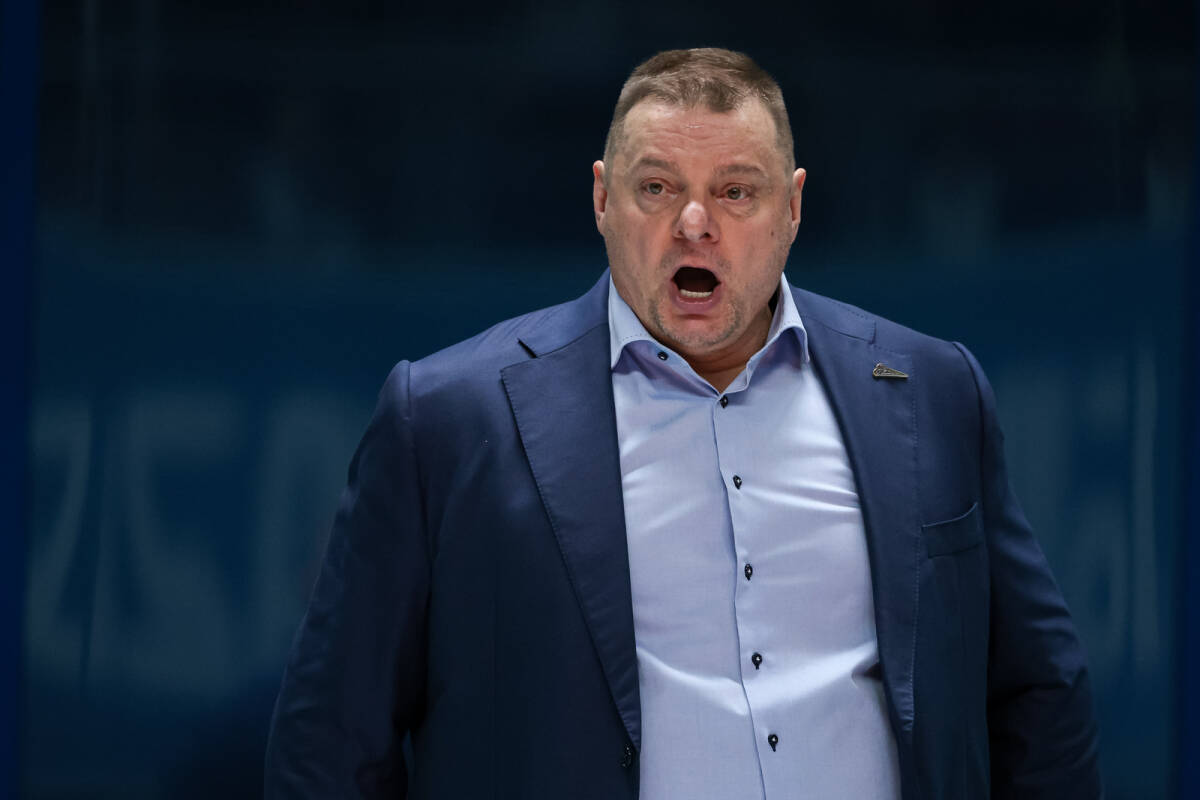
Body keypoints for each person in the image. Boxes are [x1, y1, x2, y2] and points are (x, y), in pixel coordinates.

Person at [265, 48, 1102, 799]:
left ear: (792, 208)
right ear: (603, 198)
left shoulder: (932, 390)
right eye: (658, 188)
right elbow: (329, 743)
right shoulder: (446, 418)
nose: (694, 223)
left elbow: (1040, 691)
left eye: (735, 191)